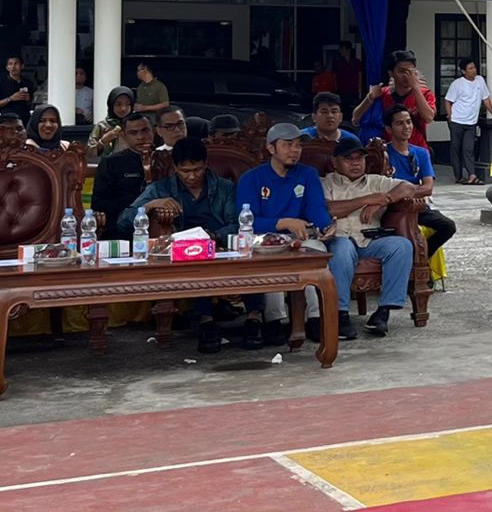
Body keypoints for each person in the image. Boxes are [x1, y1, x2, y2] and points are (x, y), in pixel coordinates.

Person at [123, 137, 246, 352]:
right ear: (175, 168)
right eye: (185, 171)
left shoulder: (224, 188)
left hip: (221, 243)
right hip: (183, 251)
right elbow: (124, 219)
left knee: (248, 258)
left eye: (197, 170)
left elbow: (237, 224)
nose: (191, 176)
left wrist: (214, 235)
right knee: (196, 259)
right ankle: (206, 320)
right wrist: (151, 205)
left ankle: (254, 318)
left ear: (206, 164)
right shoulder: (162, 189)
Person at [237, 123, 336, 344]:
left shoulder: (307, 174)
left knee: (316, 253)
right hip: (264, 238)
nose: (295, 150)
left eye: (298, 145)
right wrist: (283, 222)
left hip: (300, 238)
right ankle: (275, 320)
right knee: (270, 259)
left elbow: (316, 208)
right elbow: (246, 221)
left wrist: (325, 226)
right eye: (288, 145)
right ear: (271, 149)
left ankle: (316, 318)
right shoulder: (251, 179)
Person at [322, 137, 421, 337]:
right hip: (337, 239)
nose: (356, 163)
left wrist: (384, 200)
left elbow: (411, 188)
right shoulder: (325, 182)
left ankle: (382, 313)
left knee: (401, 246)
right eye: (348, 159)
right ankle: (340, 314)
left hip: (369, 241)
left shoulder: (375, 181)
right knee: (343, 248)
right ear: (335, 162)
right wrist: (367, 199)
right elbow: (328, 208)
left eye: (360, 158)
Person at [383, 105, 457, 258]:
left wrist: (402, 190)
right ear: (389, 129)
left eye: (408, 122)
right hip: (390, 207)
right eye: (400, 123)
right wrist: (407, 191)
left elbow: (428, 187)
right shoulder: (383, 154)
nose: (406, 127)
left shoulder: (421, 153)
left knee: (448, 226)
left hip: (416, 205)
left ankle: (420, 258)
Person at [353, 49, 436, 152]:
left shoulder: (425, 93)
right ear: (391, 73)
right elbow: (355, 119)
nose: (406, 76)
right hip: (389, 151)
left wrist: (415, 88)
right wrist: (369, 98)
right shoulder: (382, 94)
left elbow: (428, 118)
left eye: (410, 71)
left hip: (418, 150)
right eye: (402, 71)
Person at [90, 113, 156, 241]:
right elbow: (99, 203)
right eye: (133, 133)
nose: (140, 137)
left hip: (159, 223)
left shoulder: (163, 159)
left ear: (154, 131)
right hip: (120, 228)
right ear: (124, 136)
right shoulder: (111, 163)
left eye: (145, 131)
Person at [444, 58, 492, 184]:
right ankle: (458, 176)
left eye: (474, 67)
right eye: (470, 68)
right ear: (463, 71)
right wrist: (450, 115)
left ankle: (472, 175)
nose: (474, 70)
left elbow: (486, 99)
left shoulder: (480, 81)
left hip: (471, 122)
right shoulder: (457, 84)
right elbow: (447, 100)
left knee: (468, 149)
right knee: (456, 148)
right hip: (457, 120)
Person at [1, 54, 34, 126]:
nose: (13, 67)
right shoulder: (2, 83)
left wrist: (28, 99)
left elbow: (31, 104)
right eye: (10, 64)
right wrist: (11, 98)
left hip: (25, 120)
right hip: (7, 121)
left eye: (16, 63)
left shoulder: (28, 83)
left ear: (22, 66)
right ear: (7, 67)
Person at [333, 41, 364, 111]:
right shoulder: (338, 62)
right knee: (343, 109)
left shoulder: (356, 61)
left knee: (354, 108)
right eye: (340, 49)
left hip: (354, 90)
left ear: (348, 49)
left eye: (342, 49)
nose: (341, 51)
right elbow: (335, 77)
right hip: (342, 90)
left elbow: (359, 76)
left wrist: (360, 90)